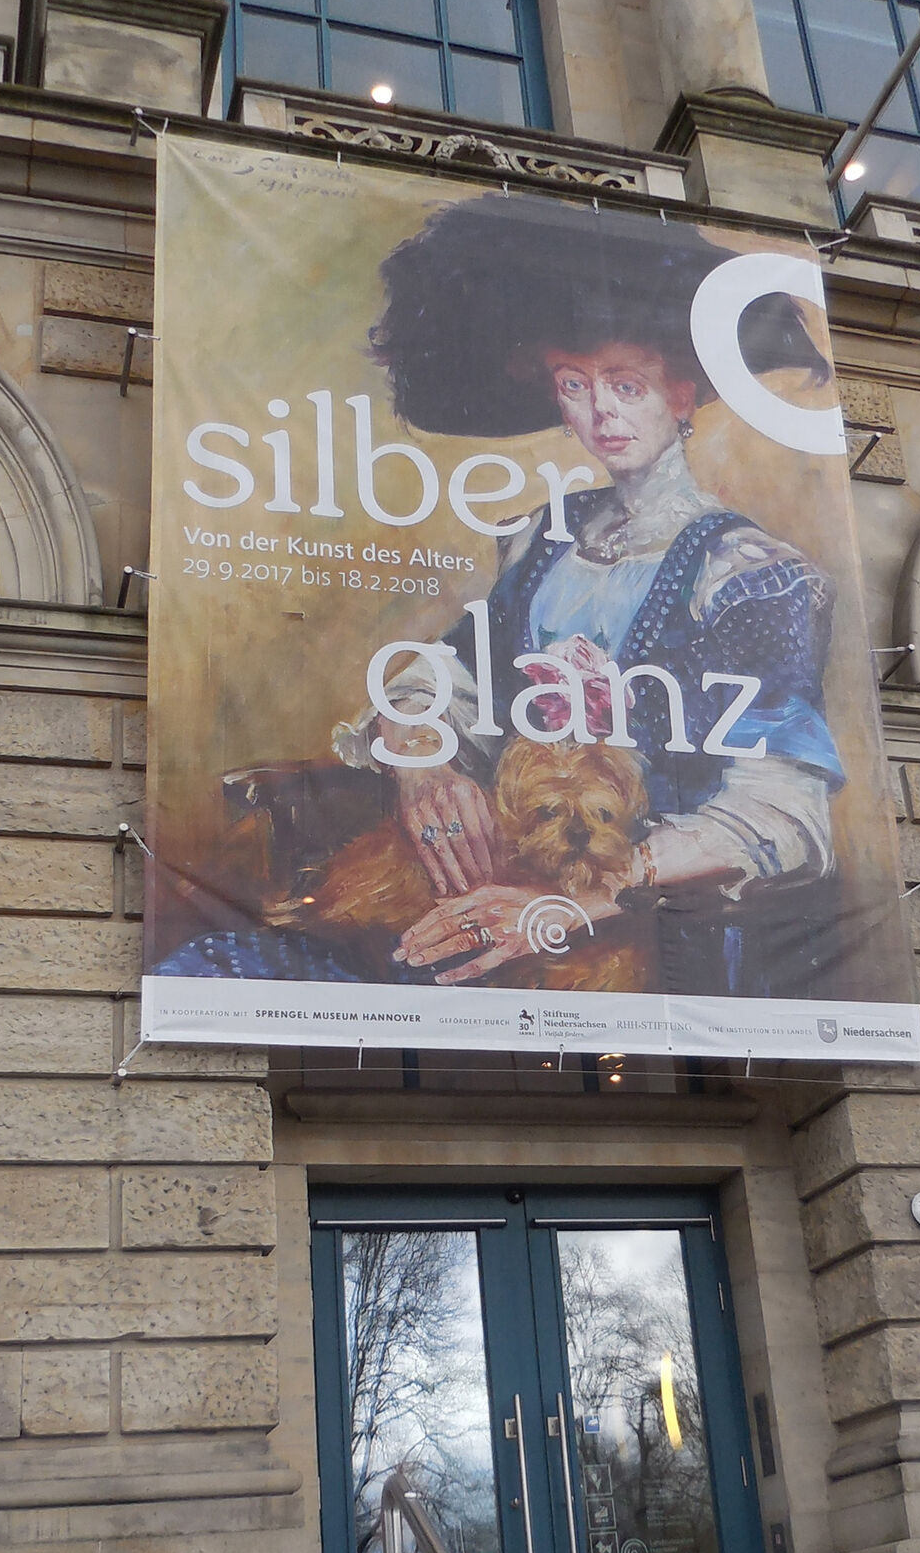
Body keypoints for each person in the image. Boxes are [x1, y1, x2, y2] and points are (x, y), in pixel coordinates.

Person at [335, 195, 846, 996]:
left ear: (681, 394)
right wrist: (424, 762)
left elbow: (782, 809)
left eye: (626, 384)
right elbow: (451, 675)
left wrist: (574, 900)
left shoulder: (750, 573)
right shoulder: (545, 534)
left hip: (654, 927)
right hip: (498, 879)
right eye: (574, 385)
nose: (600, 411)